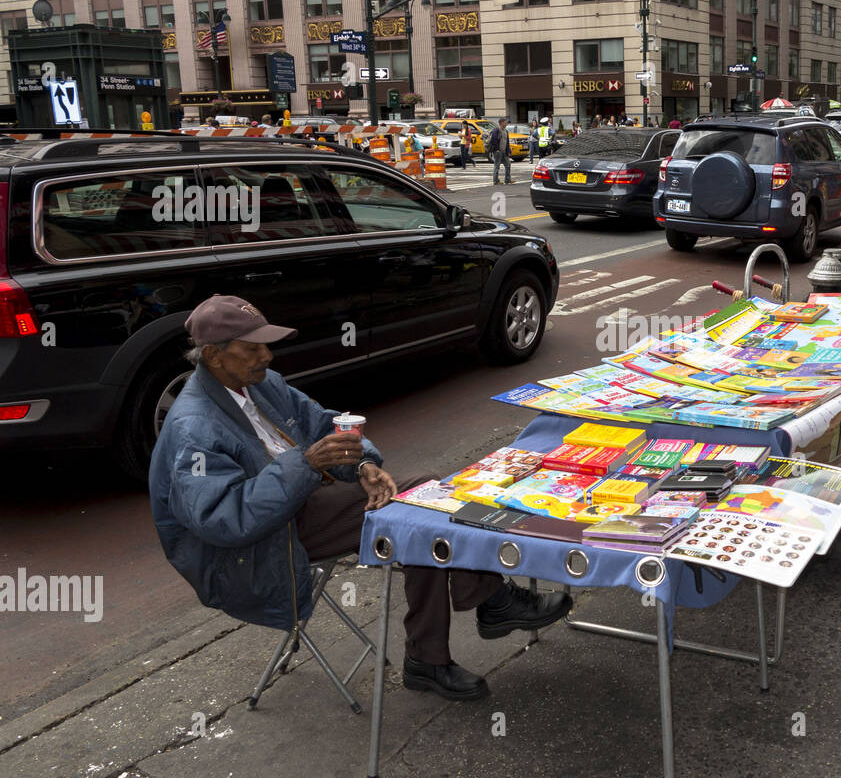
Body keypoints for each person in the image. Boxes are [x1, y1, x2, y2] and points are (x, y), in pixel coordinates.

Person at [149, 296, 572, 700]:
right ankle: (483, 608)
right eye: (253, 348)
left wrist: (362, 465)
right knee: (417, 507)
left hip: (301, 501)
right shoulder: (193, 427)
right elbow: (223, 520)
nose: (267, 357)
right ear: (213, 356)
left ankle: (442, 647)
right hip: (260, 542)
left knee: (419, 508)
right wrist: (307, 464)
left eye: (267, 346)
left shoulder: (261, 384)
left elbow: (326, 425)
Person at [489, 116, 513, 184]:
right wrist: (497, 149)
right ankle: (496, 181)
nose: (506, 124)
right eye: (505, 123)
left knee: (508, 164)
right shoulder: (496, 130)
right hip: (498, 151)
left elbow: (507, 142)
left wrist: (508, 151)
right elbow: (494, 140)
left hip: (504, 151)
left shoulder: (506, 131)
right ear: (501, 123)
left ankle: (507, 180)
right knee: (497, 166)